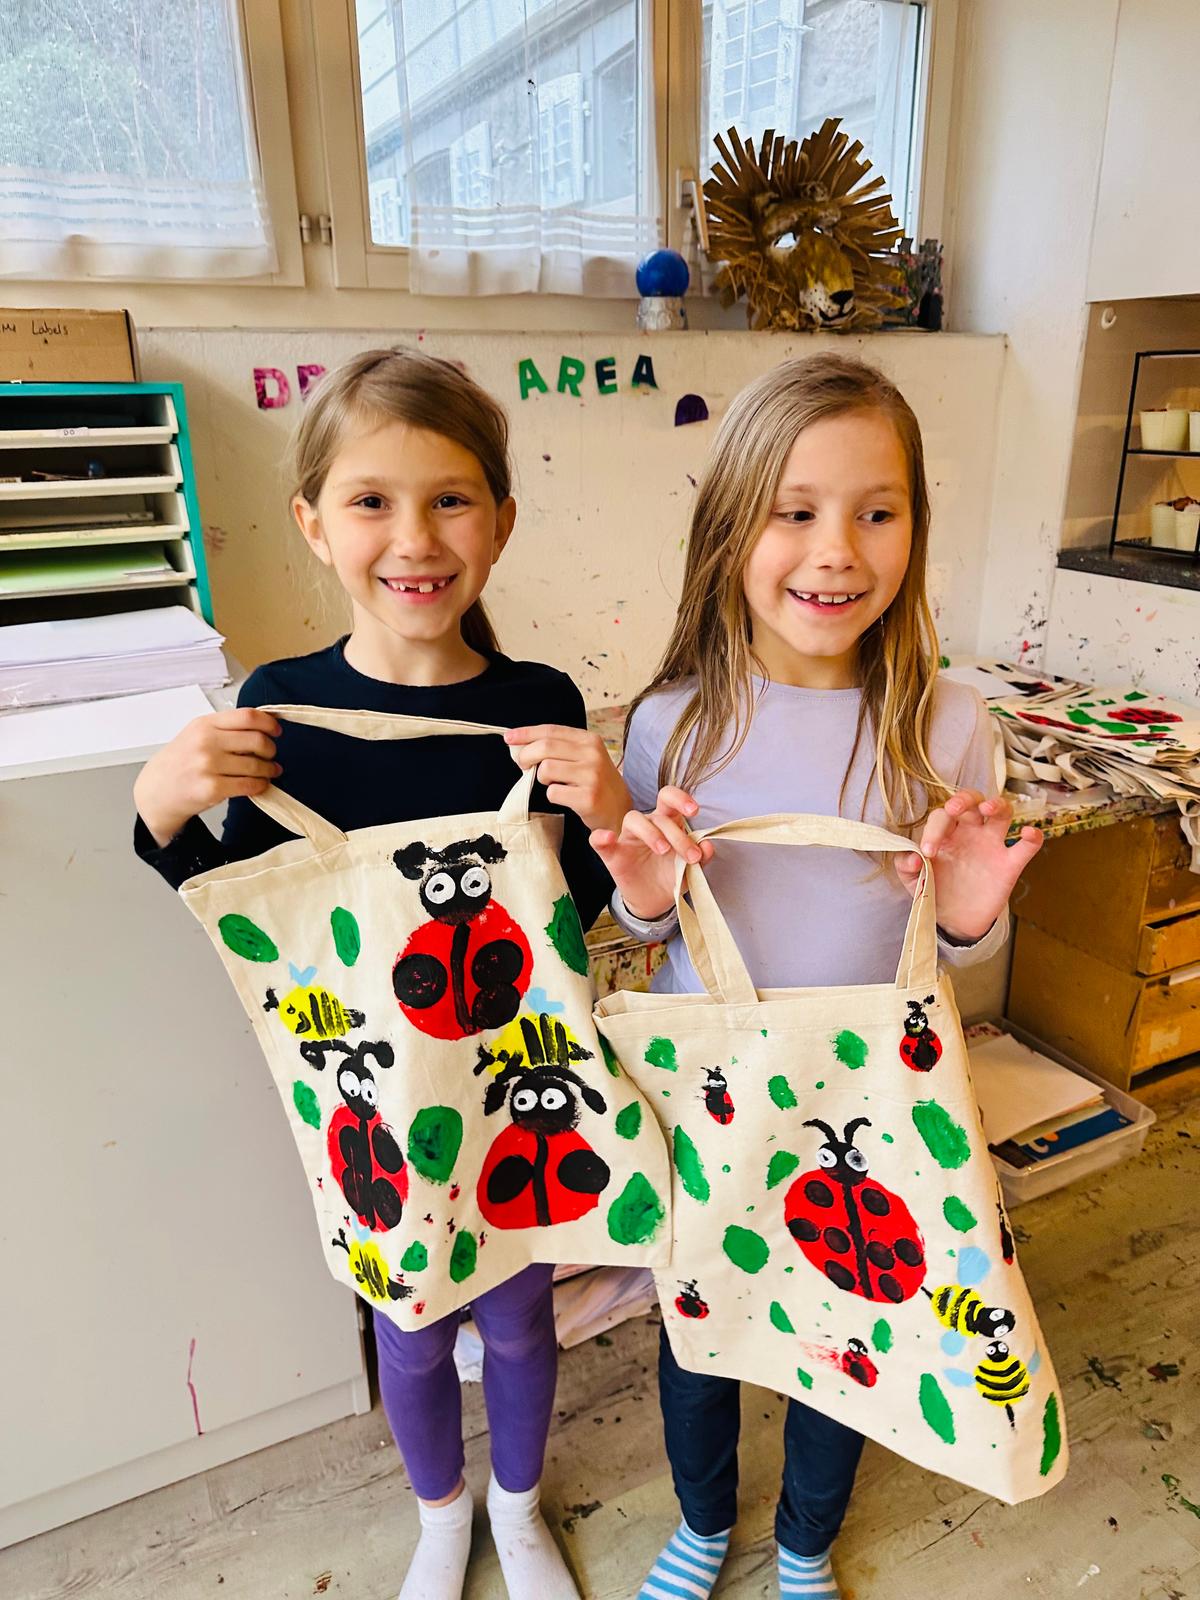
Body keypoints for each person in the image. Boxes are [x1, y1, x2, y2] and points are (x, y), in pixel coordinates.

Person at [133, 348, 632, 1600]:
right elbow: (259, 922)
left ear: (502, 520)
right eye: (371, 500)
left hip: (514, 1088)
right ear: (312, 522)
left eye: (452, 498)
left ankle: (518, 1509)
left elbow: (562, 921)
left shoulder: (537, 704)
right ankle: (440, 1515)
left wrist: (612, 821)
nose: (416, 536)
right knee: (408, 1328)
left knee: (519, 1320)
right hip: (368, 1103)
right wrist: (160, 815)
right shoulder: (280, 712)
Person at [589, 353, 1044, 1600]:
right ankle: (698, 1522)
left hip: (874, 1107)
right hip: (713, 1099)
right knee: (704, 1329)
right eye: (795, 510)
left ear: (915, 527)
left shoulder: (949, 725)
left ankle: (802, 1544)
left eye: (876, 511)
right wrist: (637, 884)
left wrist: (965, 924)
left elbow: (958, 950)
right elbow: (647, 922)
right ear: (732, 526)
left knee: (847, 1327)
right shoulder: (671, 723)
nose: (836, 550)